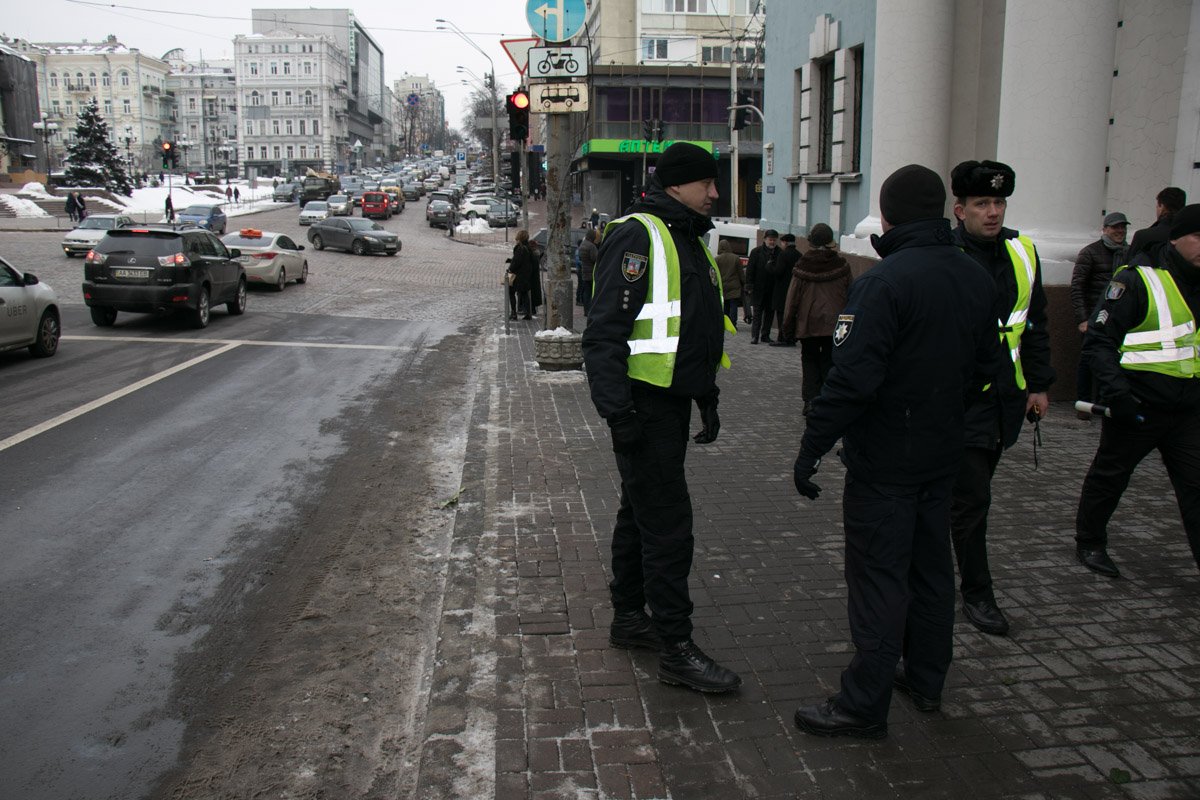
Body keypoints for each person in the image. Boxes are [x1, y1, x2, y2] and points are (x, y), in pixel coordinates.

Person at [791, 164, 1004, 740]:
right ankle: (927, 679)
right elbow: (988, 368)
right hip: (942, 454)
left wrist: (811, 448)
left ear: (886, 217)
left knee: (880, 580)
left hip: (886, 462)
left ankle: (864, 703)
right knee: (932, 572)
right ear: (942, 211)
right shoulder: (974, 275)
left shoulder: (883, 283)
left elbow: (851, 381)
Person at [582, 140, 739, 694]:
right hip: (642, 407)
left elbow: (695, 330)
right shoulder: (639, 235)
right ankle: (676, 648)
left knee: (639, 514)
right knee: (669, 527)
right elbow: (603, 335)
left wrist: (706, 395)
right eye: (706, 183)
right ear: (675, 184)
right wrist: (618, 414)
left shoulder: (687, 236)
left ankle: (629, 617)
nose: (715, 193)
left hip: (668, 404)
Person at [948, 160, 1055, 637]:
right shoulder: (945, 253)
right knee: (973, 501)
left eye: (999, 202)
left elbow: (1035, 325)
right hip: (957, 399)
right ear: (960, 210)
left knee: (967, 497)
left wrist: (1039, 385)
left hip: (1005, 399)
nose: (992, 212)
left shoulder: (1023, 251)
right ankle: (977, 593)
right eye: (981, 204)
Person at [1073, 204, 1200, 578]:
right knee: (1110, 477)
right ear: (1175, 239)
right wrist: (1119, 396)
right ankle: (1090, 541)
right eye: (1199, 236)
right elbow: (1099, 342)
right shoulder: (1136, 280)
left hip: (1188, 411)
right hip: (1138, 405)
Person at [780, 223, 852, 413]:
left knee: (810, 361)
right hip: (835, 326)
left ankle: (811, 401)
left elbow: (792, 300)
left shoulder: (802, 266)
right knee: (829, 361)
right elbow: (851, 297)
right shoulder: (842, 266)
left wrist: (787, 327)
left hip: (808, 324)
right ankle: (827, 400)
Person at [1071, 212, 1130, 412]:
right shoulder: (1090, 252)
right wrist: (1083, 319)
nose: (1120, 231)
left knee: (1113, 361)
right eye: (1115, 227)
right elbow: (1077, 287)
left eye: (1123, 227)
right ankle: (1084, 404)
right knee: (1088, 361)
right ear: (1104, 229)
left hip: (1118, 318)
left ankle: (1107, 403)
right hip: (1094, 317)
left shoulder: (1130, 253)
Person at [1128, 187, 1186, 264]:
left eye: (1157, 206)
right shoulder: (1189, 237)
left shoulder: (1143, 236)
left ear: (1162, 206)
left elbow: (1128, 266)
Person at [746, 229, 781, 343]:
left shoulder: (779, 253)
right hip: (758, 288)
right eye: (770, 240)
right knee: (757, 313)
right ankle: (754, 336)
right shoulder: (756, 252)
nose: (772, 242)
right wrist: (749, 286)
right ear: (765, 239)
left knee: (769, 314)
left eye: (774, 240)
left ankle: (765, 335)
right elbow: (750, 270)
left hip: (772, 288)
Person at [769, 234, 801, 346]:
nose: (781, 245)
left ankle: (782, 337)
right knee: (791, 315)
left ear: (786, 243)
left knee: (781, 314)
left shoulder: (783, 254)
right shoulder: (799, 255)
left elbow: (778, 272)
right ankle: (791, 337)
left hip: (782, 289)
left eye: (782, 242)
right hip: (794, 288)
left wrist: (769, 267)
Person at [714, 238, 746, 329]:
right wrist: (744, 283)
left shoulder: (717, 259)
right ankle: (733, 323)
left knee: (725, 306)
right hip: (734, 285)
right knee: (733, 306)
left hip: (723, 285)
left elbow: (715, 273)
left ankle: (725, 323)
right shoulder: (736, 258)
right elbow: (740, 273)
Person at [506, 229, 537, 320]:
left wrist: (510, 269)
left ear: (519, 237)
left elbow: (516, 262)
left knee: (511, 292)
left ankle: (513, 313)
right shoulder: (528, 248)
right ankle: (528, 313)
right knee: (524, 293)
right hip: (526, 275)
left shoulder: (520, 248)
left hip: (518, 275)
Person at [578, 228, 599, 316]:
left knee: (586, 292)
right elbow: (595, 258)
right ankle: (590, 310)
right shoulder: (591, 246)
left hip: (584, 271)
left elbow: (580, 257)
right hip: (591, 272)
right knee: (591, 293)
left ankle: (586, 311)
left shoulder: (582, 244)